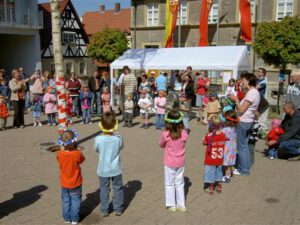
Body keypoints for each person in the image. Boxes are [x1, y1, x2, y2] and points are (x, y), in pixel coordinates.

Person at [229, 72, 260, 176]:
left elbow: (241, 110)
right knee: (244, 146)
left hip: (244, 122)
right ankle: (245, 168)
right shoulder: (253, 92)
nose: (241, 82)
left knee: (241, 146)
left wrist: (236, 100)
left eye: (242, 80)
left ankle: (244, 170)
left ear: (247, 80)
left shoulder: (252, 92)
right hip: (248, 121)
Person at [94, 112, 123, 216]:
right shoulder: (118, 138)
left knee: (104, 189)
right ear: (115, 125)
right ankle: (118, 209)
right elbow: (121, 147)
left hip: (103, 169)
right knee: (118, 188)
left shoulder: (98, 139)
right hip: (116, 169)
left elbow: (96, 150)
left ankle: (104, 210)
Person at [159, 110, 188, 212]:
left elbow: (161, 145)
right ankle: (182, 205)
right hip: (180, 162)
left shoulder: (165, 134)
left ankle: (171, 205)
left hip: (169, 163)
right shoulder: (184, 134)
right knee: (180, 183)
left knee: (169, 183)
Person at [56, 129, 85, 224]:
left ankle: (66, 218)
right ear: (73, 142)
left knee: (65, 200)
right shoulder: (77, 153)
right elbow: (82, 160)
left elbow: (59, 159)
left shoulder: (60, 154)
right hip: (76, 182)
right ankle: (74, 219)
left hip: (64, 182)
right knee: (76, 200)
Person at [202, 115, 226, 194]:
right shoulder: (223, 135)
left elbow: (204, 143)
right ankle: (219, 185)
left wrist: (204, 138)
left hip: (211, 159)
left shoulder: (209, 136)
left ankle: (211, 186)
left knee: (210, 172)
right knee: (219, 171)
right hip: (219, 158)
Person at [221, 109, 239, 183]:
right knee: (230, 162)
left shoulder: (226, 129)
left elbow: (222, 137)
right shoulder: (235, 128)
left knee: (226, 164)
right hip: (233, 147)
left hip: (227, 147)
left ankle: (227, 177)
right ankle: (229, 173)